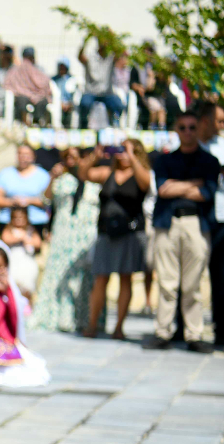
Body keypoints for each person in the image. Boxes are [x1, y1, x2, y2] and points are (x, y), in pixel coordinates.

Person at [145, 110, 220, 352]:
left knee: (193, 284)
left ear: (199, 129)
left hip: (196, 224)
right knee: (167, 282)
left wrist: (179, 187)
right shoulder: (164, 160)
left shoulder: (209, 161)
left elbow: (206, 194)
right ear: (176, 130)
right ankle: (163, 331)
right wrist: (193, 184)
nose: (187, 132)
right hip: (168, 223)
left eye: (192, 127)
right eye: (182, 127)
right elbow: (163, 190)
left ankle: (194, 334)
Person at [78, 140, 151, 340]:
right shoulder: (107, 173)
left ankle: (119, 327)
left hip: (129, 233)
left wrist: (133, 157)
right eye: (122, 150)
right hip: (106, 232)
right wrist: (95, 155)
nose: (124, 155)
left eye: (129, 151)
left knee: (125, 277)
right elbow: (84, 174)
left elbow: (146, 184)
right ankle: (92, 325)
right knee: (100, 278)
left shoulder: (139, 174)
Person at [0, 227, 50, 388]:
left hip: (4, 333)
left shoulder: (7, 290)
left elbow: (13, 315)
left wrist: (6, 294)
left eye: (2, 267)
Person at [30, 148, 101, 333]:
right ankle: (56, 317)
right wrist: (52, 176)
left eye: (75, 157)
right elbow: (45, 199)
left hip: (86, 233)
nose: (71, 160)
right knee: (57, 272)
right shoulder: (62, 180)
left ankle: (82, 319)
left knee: (84, 277)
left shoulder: (95, 180)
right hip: (63, 231)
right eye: (67, 157)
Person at [197, 102, 224, 347]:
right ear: (206, 121)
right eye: (219, 121)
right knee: (190, 277)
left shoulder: (223, 146)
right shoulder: (192, 145)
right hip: (199, 217)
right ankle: (186, 328)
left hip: (222, 216)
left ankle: (221, 328)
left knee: (220, 277)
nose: (222, 126)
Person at [0, 144, 51, 232]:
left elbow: (48, 201)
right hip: (8, 223)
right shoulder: (5, 174)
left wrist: (29, 201)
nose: (23, 157)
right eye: (20, 154)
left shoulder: (43, 176)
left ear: (33, 156)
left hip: (35, 222)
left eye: (27, 155)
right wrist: (12, 202)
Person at [77, 34, 125, 129]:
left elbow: (121, 52)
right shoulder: (91, 57)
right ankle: (83, 124)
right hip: (91, 92)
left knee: (119, 105)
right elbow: (80, 57)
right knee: (84, 104)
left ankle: (114, 123)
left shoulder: (111, 57)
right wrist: (86, 41)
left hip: (107, 93)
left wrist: (113, 38)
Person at [0, 206, 42, 302]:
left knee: (27, 285)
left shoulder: (31, 230)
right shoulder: (9, 229)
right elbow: (5, 239)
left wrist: (28, 240)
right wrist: (20, 238)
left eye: (21, 218)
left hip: (27, 262)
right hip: (14, 261)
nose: (19, 220)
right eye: (16, 218)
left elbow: (38, 243)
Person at [3, 46, 51, 126]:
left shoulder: (39, 69)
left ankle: (37, 122)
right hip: (22, 94)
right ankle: (24, 121)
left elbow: (44, 82)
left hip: (37, 94)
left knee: (42, 101)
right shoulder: (17, 68)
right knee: (22, 99)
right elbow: (10, 81)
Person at [53, 57, 78, 128]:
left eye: (64, 67)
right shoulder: (54, 80)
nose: (62, 69)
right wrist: (60, 103)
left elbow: (75, 95)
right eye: (60, 67)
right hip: (57, 103)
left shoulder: (72, 79)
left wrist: (69, 103)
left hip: (69, 104)